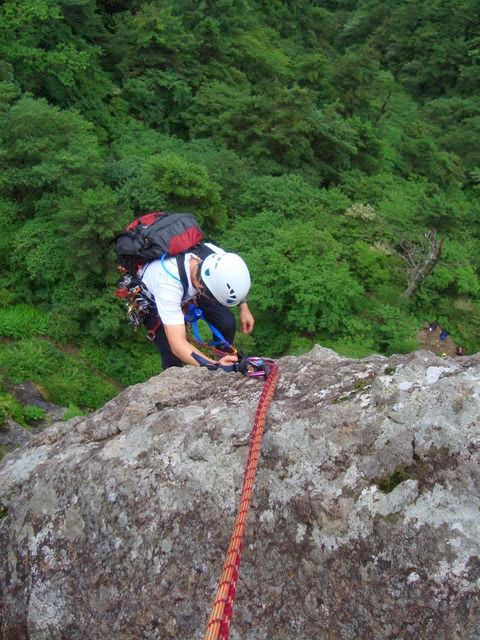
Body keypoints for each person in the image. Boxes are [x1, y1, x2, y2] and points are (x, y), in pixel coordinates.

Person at [140, 243, 255, 371]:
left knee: (226, 323)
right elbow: (177, 344)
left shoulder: (214, 256)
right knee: (172, 356)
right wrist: (217, 367)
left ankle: (223, 354)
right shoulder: (167, 285)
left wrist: (244, 307)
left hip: (191, 283)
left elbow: (232, 277)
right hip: (153, 300)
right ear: (202, 289)